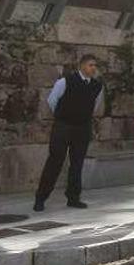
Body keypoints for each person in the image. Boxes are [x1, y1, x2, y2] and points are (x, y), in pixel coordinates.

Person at [34, 54, 104, 211]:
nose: (93, 68)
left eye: (95, 66)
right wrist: (63, 116)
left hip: (82, 128)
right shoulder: (65, 81)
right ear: (81, 66)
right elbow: (52, 101)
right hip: (63, 127)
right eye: (90, 65)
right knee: (55, 161)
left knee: (77, 163)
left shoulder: (97, 86)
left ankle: (73, 197)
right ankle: (41, 198)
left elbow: (95, 105)